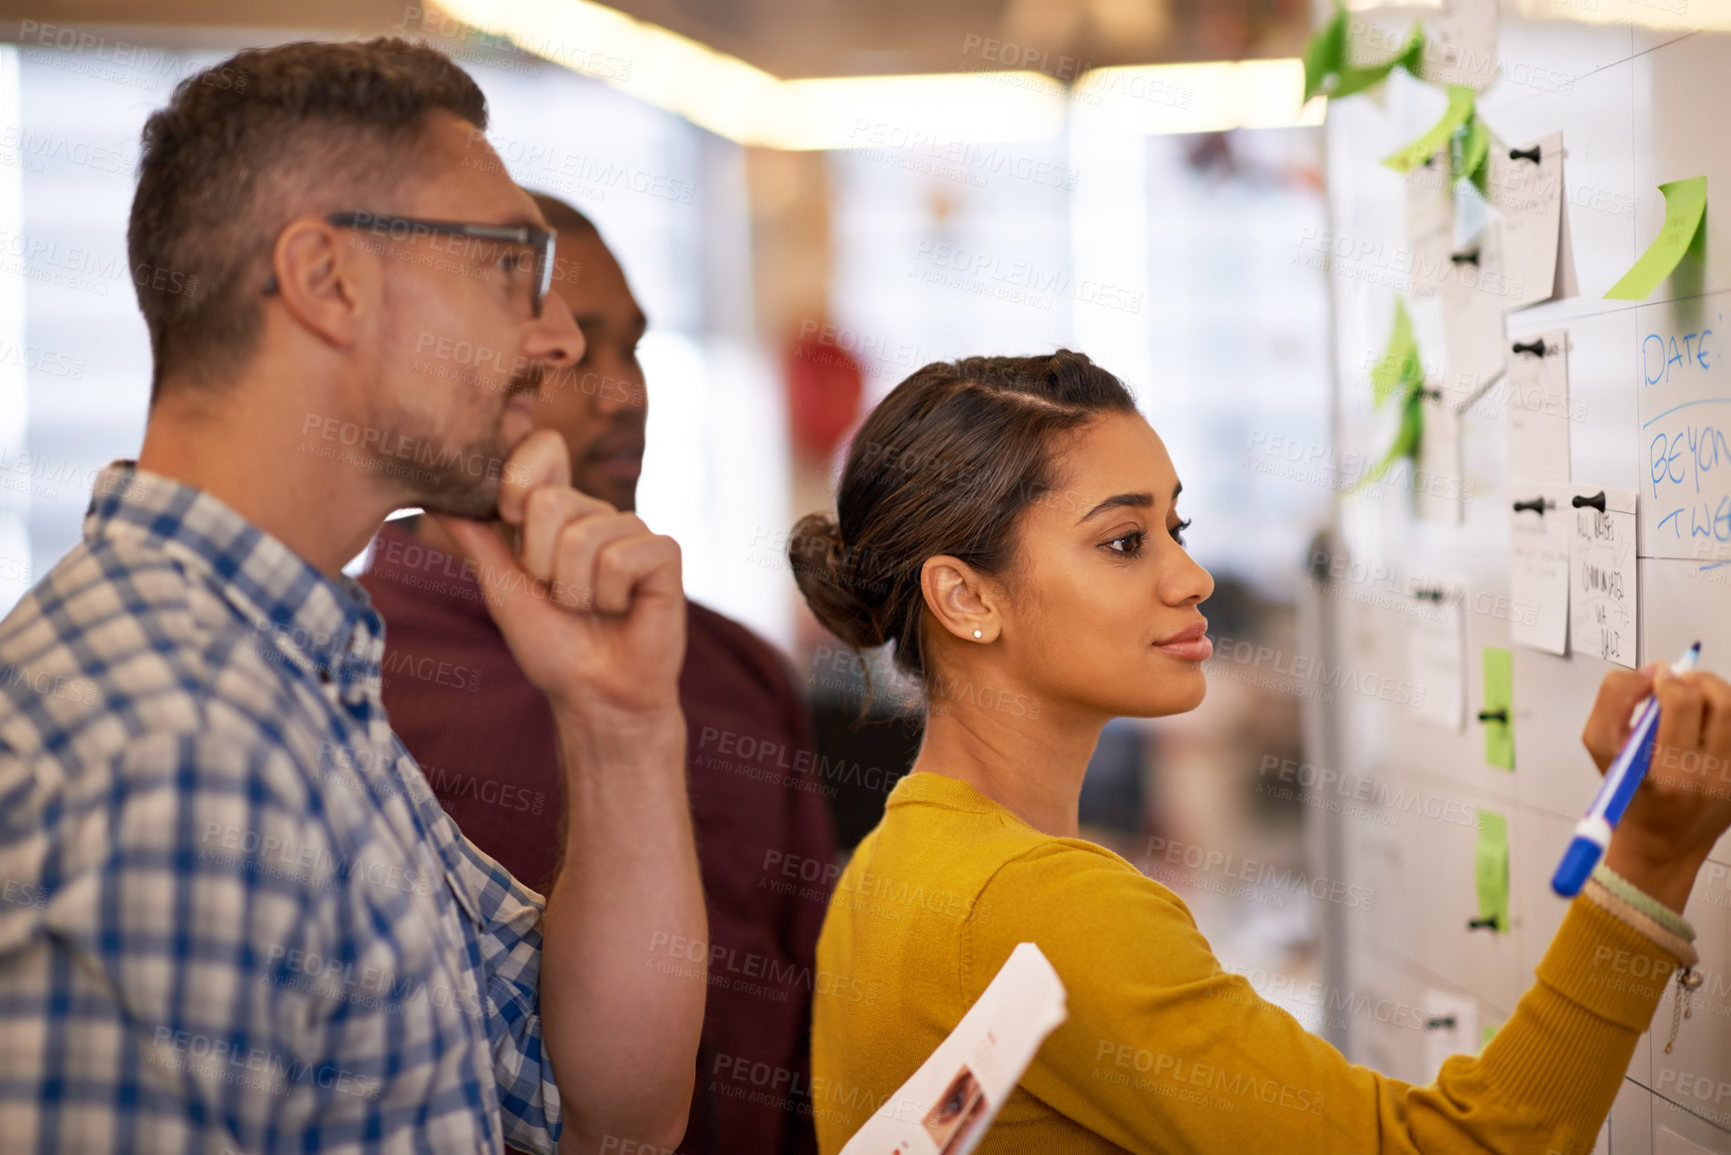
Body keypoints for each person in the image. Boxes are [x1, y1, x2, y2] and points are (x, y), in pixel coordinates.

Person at [0, 39, 706, 1153]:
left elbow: (614, 1116)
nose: (560, 336)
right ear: (329, 280)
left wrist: (620, 728)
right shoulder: (172, 753)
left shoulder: (292, 674)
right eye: (511, 264)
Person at [790, 350, 1731, 1154]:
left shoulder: (889, 866)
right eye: (1124, 541)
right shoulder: (1041, 904)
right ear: (965, 598)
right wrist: (1646, 862)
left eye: (1176, 528)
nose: (1190, 575)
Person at [359, 191, 835, 1154]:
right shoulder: (350, 678)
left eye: (634, 349)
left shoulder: (736, 672)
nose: (626, 394)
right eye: (571, 358)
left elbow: (821, 1014)